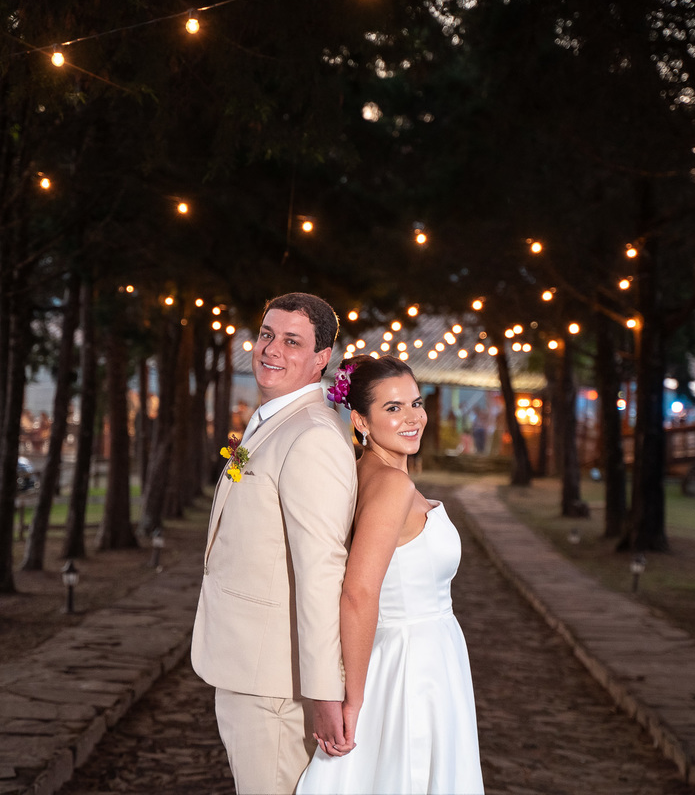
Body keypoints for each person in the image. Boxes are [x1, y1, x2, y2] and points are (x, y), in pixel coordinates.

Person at [191, 292, 358, 794]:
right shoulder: (276, 417)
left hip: (276, 684)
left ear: (321, 358)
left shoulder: (313, 436)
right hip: (248, 662)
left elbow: (322, 570)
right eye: (267, 335)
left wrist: (325, 694)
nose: (271, 350)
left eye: (292, 341)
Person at [297, 355, 484, 795]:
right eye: (393, 408)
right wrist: (354, 700)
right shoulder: (391, 486)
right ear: (360, 420)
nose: (412, 417)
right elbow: (358, 593)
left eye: (415, 403)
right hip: (411, 666)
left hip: (426, 659)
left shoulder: (367, 475)